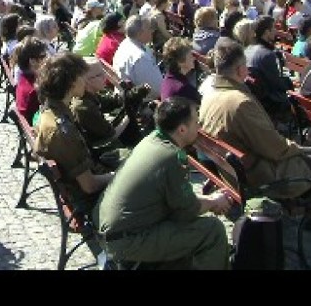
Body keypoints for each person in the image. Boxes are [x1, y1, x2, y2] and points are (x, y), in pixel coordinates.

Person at [199, 37, 311, 253]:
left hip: (239, 170)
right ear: (239, 70)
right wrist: (301, 148)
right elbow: (275, 148)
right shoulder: (239, 101)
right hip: (263, 173)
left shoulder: (211, 93)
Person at [93, 97, 231, 269]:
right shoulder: (172, 156)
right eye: (196, 122)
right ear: (182, 129)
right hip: (129, 240)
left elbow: (177, 199)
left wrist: (208, 200)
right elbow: (186, 210)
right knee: (212, 230)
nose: (199, 127)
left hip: (113, 230)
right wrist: (214, 202)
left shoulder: (151, 140)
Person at [34, 53, 114, 214]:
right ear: (71, 83)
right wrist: (120, 175)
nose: (85, 81)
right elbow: (89, 186)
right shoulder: (63, 131)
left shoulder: (48, 111)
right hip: (89, 201)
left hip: (78, 185)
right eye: (82, 76)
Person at [112, 15, 163, 101]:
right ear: (140, 33)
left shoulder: (125, 43)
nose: (152, 31)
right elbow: (158, 90)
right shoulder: (140, 58)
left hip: (127, 94)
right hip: (143, 103)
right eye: (150, 28)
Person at [160, 37, 201, 104]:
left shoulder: (168, 80)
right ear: (180, 62)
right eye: (190, 56)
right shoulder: (183, 89)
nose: (194, 58)